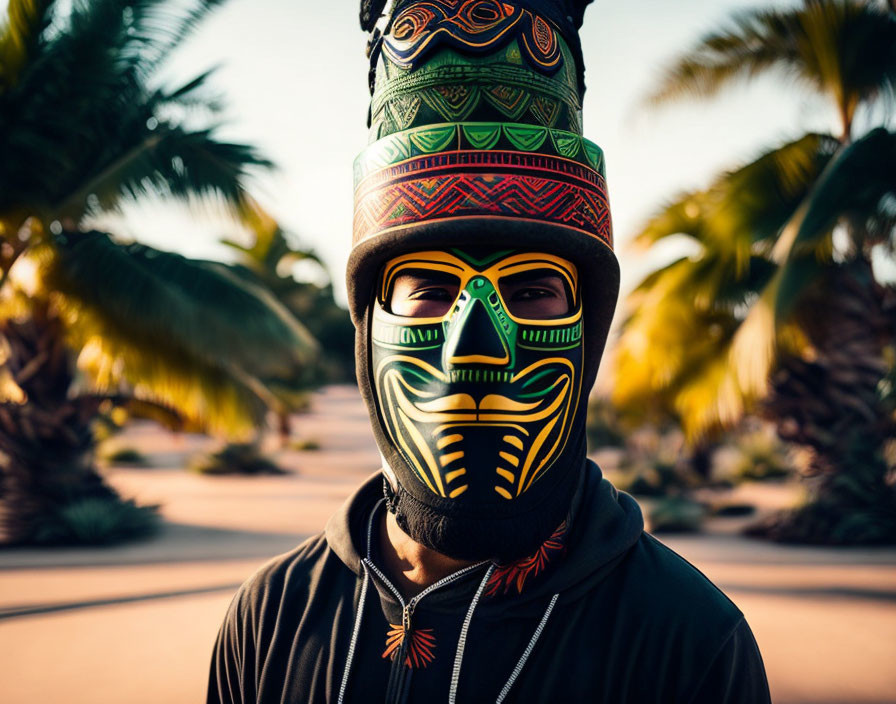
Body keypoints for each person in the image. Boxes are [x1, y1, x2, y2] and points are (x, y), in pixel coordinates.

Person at [207, 1, 771, 702]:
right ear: (366, 328)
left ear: (588, 333)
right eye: (431, 291)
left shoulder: (687, 641)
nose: (475, 346)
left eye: (532, 291)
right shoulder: (271, 619)